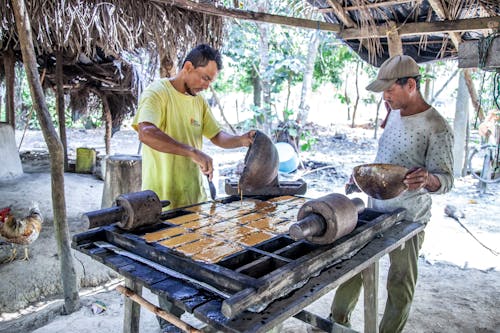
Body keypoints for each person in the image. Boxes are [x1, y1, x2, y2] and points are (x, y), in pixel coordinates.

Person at [132, 44, 254, 333]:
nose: (207, 85)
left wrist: (242, 139)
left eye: (212, 80)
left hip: (196, 200)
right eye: (204, 78)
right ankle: (170, 325)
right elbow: (146, 132)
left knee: (195, 265)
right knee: (166, 272)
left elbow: (216, 135)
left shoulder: (198, 102)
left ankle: (193, 321)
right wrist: (191, 152)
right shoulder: (157, 93)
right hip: (162, 200)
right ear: (187, 67)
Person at [330, 55, 454, 333]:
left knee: (399, 283)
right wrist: (361, 178)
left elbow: (447, 180)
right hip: (375, 210)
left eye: (389, 89)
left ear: (410, 84)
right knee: (352, 268)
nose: (385, 96)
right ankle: (336, 323)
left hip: (409, 219)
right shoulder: (393, 112)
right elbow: (384, 159)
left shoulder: (436, 125)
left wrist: (428, 179)